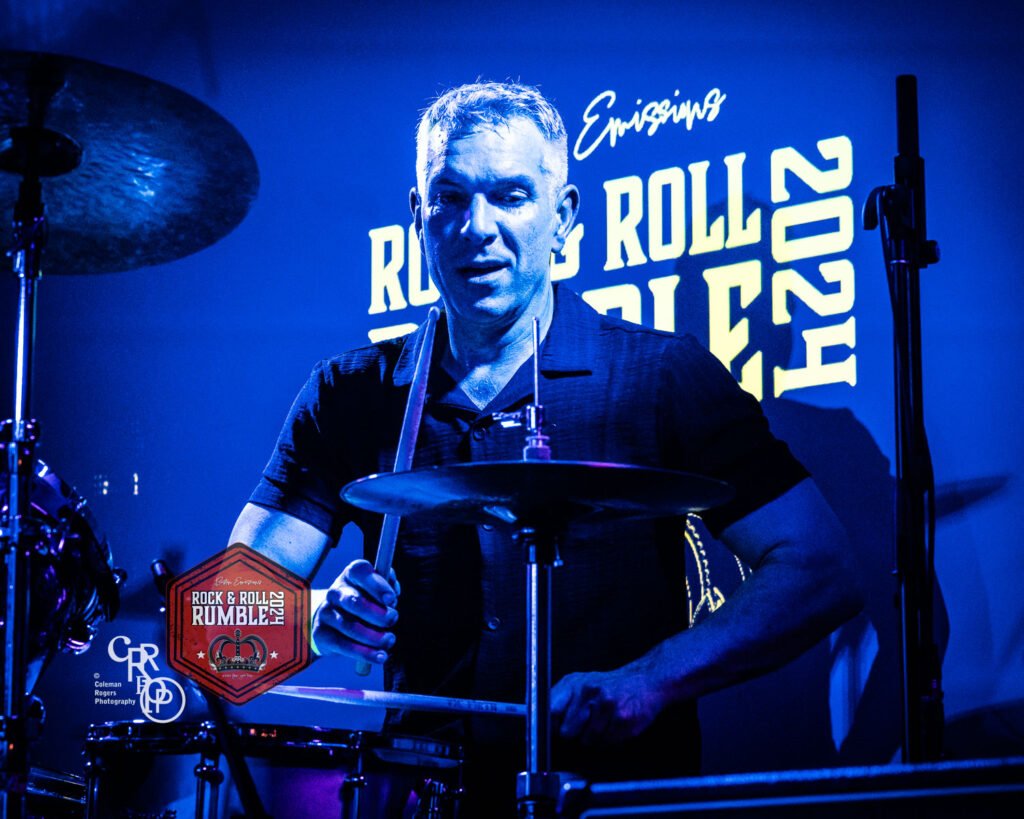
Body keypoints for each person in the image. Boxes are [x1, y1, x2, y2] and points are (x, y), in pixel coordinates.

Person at [230, 81, 863, 816]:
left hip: (614, 804)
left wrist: (650, 680)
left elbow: (820, 568)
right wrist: (313, 617)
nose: (477, 228)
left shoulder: (662, 376)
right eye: (449, 198)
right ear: (417, 216)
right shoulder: (349, 395)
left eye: (510, 197)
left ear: (562, 218)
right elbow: (213, 626)